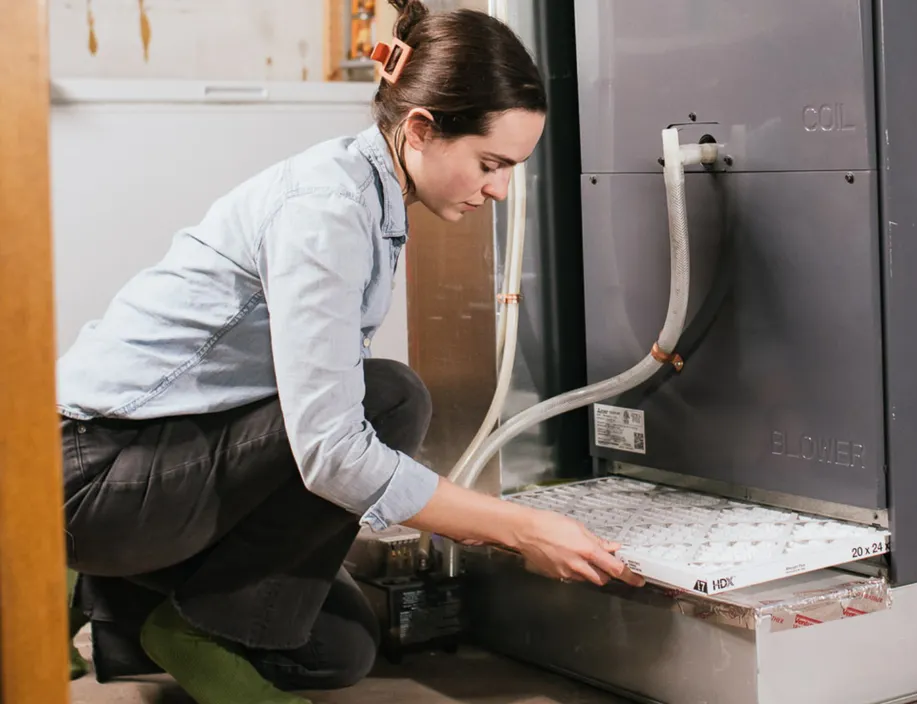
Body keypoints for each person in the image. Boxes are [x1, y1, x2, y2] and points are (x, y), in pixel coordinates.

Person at [57, 3, 643, 702]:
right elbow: (332, 450)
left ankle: (112, 605)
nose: (499, 189)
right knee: (390, 398)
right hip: (90, 476)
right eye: (491, 164)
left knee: (338, 651)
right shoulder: (327, 211)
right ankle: (164, 615)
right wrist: (522, 529)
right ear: (422, 128)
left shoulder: (369, 191)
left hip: (161, 460)